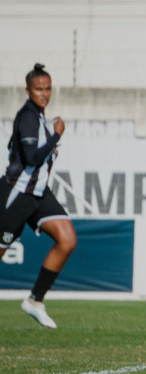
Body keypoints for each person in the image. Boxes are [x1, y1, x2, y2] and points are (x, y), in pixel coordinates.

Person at [1, 63, 76, 329]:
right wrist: (56, 137)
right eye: (38, 89)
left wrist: (50, 150)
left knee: (67, 238)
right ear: (28, 90)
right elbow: (31, 157)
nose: (44, 93)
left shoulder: (41, 118)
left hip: (39, 195)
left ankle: (35, 300)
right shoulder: (28, 116)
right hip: (17, 194)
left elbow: (37, 159)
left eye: (47, 88)